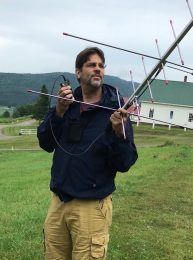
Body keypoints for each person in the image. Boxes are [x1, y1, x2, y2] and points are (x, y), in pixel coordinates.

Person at [37, 47, 138, 259]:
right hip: (59, 203)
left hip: (91, 208)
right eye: (92, 65)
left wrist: (119, 133)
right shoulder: (66, 103)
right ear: (78, 72)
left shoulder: (117, 109)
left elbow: (125, 163)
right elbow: (45, 142)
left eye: (101, 66)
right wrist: (59, 112)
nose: (98, 70)